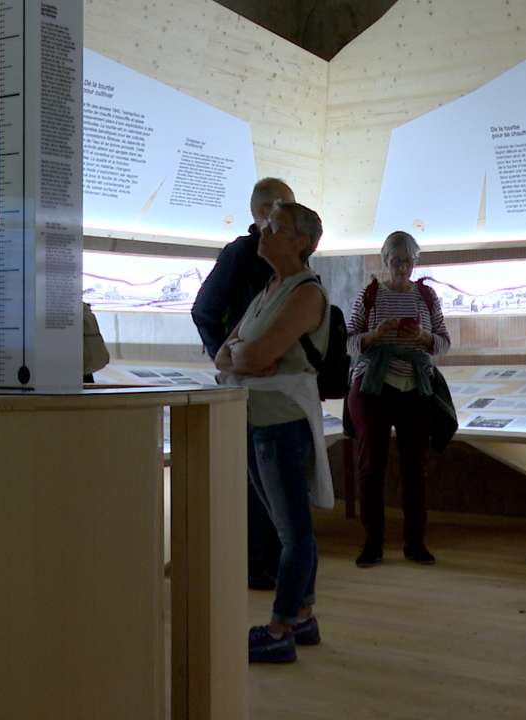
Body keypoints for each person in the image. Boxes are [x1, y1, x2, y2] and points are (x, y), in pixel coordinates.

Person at [215, 201, 330, 663]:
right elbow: (227, 352)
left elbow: (251, 355)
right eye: (266, 224)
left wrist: (244, 358)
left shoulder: (306, 293)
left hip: (282, 422)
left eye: (276, 228)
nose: (264, 231)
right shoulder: (269, 288)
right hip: (256, 417)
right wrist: (243, 358)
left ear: (302, 242)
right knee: (290, 528)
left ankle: (280, 628)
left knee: (293, 531)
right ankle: (301, 616)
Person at [192, 177, 294, 590]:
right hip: (249, 387)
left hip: (280, 388)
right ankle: (256, 563)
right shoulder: (239, 254)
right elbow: (204, 310)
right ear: (263, 212)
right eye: (285, 207)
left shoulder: (285, 256)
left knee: (275, 476)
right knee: (256, 477)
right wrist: (230, 362)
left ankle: (274, 561)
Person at [345, 231, 451, 567]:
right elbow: (350, 341)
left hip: (416, 387)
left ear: (415, 261)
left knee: (414, 468)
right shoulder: (370, 294)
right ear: (385, 260)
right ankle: (372, 543)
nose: (402, 268)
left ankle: (415, 542)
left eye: (407, 261)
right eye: (396, 261)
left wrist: (422, 336)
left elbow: (444, 342)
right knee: (371, 465)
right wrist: (375, 335)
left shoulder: (426, 296)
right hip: (373, 387)